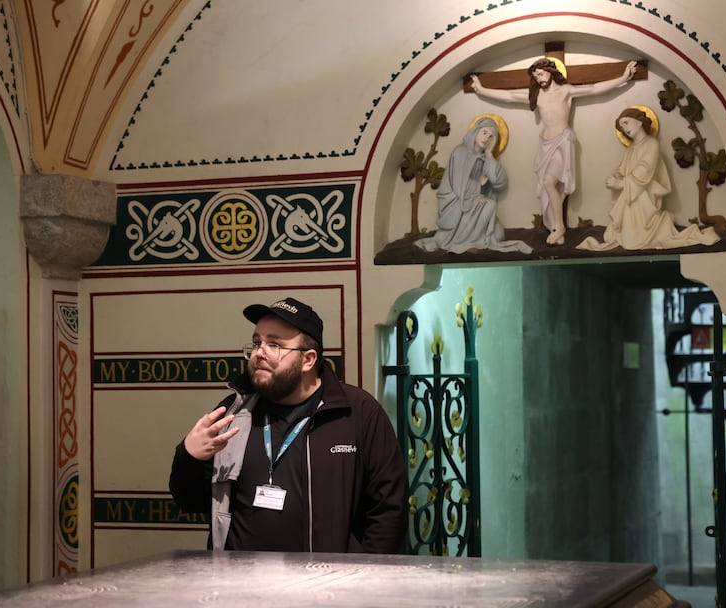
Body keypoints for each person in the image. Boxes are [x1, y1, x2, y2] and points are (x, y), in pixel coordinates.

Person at [169, 297, 408, 553]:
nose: (259, 353)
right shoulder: (234, 411)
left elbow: (389, 509)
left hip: (327, 577)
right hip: (239, 576)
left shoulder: (357, 412)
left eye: (274, 344)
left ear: (308, 360)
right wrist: (188, 456)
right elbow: (191, 502)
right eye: (257, 343)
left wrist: (362, 571)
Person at [471, 57, 638, 246]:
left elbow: (593, 89)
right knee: (550, 190)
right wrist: (482, 89)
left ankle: (559, 227)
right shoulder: (537, 95)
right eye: (536, 76)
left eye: (541, 74)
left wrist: (623, 78)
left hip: (562, 142)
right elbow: (509, 96)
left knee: (549, 182)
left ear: (550, 72)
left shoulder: (565, 91)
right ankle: (556, 229)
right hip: (545, 144)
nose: (539, 78)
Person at [578, 106, 720, 251]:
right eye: (622, 127)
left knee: (632, 230)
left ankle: (642, 233)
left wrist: (622, 184)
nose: (624, 129)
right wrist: (616, 176)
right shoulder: (630, 150)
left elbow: (645, 169)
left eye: (626, 122)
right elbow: (622, 168)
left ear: (639, 122)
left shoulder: (652, 144)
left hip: (644, 196)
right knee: (612, 233)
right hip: (631, 195)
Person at [415, 115, 531, 254]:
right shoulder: (460, 152)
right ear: (476, 131)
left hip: (473, 202)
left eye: (491, 137)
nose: (486, 138)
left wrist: (489, 154)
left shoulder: (485, 159)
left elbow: (500, 183)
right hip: (456, 203)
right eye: (484, 132)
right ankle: (466, 243)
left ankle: (471, 240)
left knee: (499, 234)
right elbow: (458, 185)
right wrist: (478, 184)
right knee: (490, 205)